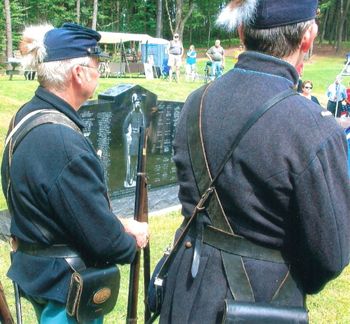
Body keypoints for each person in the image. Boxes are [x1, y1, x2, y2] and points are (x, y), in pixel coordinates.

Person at [160, 1, 350, 323]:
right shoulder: (312, 126)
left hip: (187, 291)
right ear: (308, 37)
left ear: (241, 31)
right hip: (261, 301)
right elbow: (330, 256)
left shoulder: (197, 101)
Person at [1, 23, 149, 323]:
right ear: (78, 74)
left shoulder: (25, 114)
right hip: (67, 287)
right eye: (97, 65)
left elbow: (61, 205)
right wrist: (130, 243)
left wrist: (120, 224)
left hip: (39, 270)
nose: (100, 72)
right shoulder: (63, 143)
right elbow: (105, 243)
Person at [123, 93, 145, 187]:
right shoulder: (131, 114)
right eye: (136, 102)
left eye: (139, 102)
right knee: (132, 160)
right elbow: (125, 126)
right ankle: (131, 178)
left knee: (138, 160)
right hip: (133, 140)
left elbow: (143, 126)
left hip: (139, 139)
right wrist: (128, 134)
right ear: (134, 103)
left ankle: (136, 177)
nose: (138, 104)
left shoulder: (141, 114)